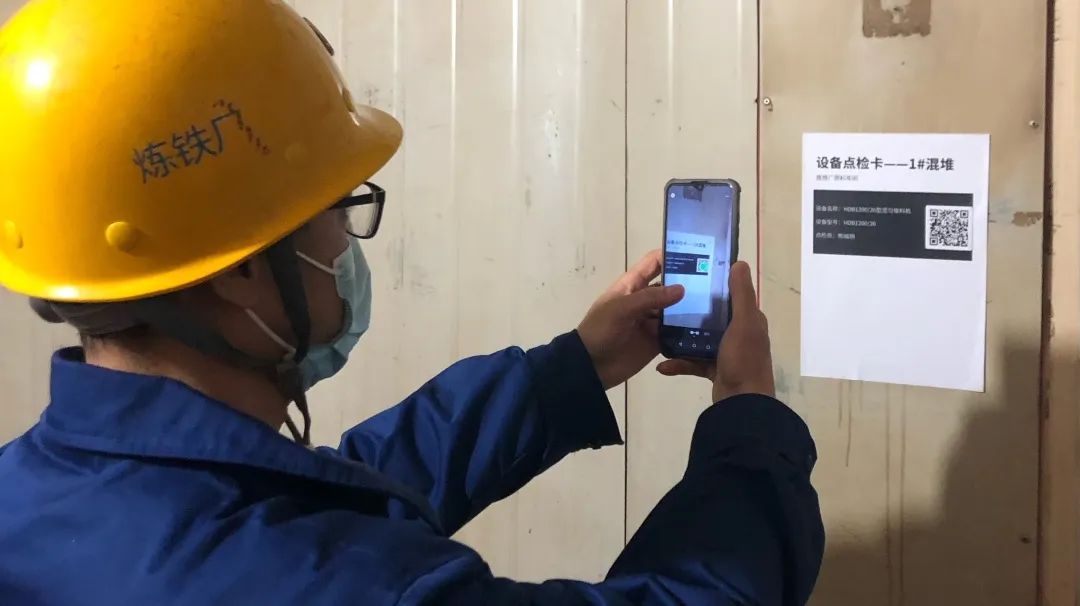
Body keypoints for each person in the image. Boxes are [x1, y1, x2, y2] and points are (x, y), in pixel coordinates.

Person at [0, 1, 824, 604]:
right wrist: (749, 421)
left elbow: (333, 490)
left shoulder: (33, 492)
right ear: (237, 271)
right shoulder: (347, 585)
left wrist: (573, 368)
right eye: (337, 210)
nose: (346, 243)